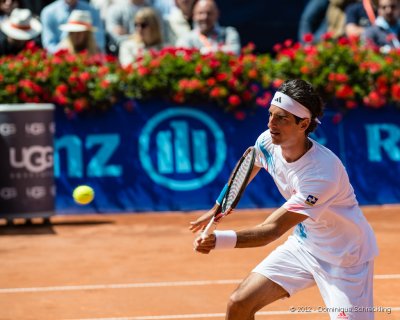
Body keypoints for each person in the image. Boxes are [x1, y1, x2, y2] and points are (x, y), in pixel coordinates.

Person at [191, 79, 379, 320]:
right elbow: (248, 165)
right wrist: (218, 205)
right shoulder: (267, 141)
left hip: (346, 259)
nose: (271, 124)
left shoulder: (321, 174)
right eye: (270, 115)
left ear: (304, 123)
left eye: (282, 118)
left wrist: (219, 240)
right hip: (304, 247)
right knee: (239, 303)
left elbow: (272, 230)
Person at [176, 0, 241, 55]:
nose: (205, 17)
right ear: (194, 15)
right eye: (200, 13)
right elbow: (182, 57)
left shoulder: (229, 33)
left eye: (209, 13)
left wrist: (201, 52)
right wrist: (221, 49)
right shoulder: (186, 39)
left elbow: (234, 52)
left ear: (217, 14)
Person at [40, 0, 105, 53]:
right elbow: (49, 46)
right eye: (73, 32)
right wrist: (63, 53)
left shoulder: (93, 11)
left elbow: (99, 42)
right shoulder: (48, 12)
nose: (76, 35)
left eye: (80, 32)